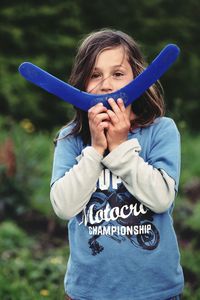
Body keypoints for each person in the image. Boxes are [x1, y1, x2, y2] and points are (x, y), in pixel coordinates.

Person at [50, 29, 184, 300]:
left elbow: (160, 200)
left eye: (118, 74)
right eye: (95, 75)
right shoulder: (71, 138)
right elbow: (64, 207)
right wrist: (96, 149)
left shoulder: (161, 131)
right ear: (81, 83)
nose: (107, 85)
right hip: (88, 292)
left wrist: (121, 147)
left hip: (155, 291)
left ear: (138, 77)